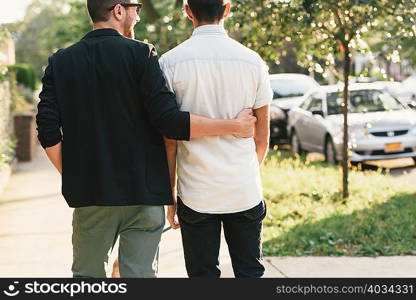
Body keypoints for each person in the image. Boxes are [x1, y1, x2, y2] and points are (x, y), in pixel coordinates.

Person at [36, 0, 257, 278]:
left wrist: (74, 175)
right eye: (135, 9)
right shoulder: (142, 55)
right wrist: (234, 126)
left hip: (91, 195)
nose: (138, 16)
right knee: (139, 278)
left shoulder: (61, 61)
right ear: (118, 10)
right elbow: (169, 122)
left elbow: (47, 130)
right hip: (143, 194)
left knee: (87, 277)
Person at [160, 0, 272, 277]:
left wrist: (170, 198)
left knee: (203, 277)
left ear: (187, 11)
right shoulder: (252, 60)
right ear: (227, 9)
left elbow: (170, 140)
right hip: (243, 189)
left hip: (196, 191)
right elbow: (262, 137)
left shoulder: (170, 62)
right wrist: (242, 171)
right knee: (250, 273)